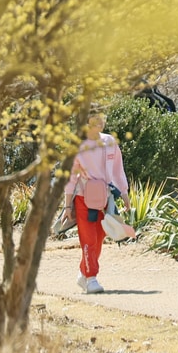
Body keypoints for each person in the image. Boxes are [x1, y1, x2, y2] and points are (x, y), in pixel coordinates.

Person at [66, 112, 130, 294]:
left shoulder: (110, 141)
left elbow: (118, 170)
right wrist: (67, 205)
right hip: (83, 197)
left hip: (106, 198)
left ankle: (83, 273)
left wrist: (124, 194)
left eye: (102, 118)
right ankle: (91, 278)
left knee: (100, 236)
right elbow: (71, 178)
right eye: (95, 119)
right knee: (88, 238)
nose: (100, 122)